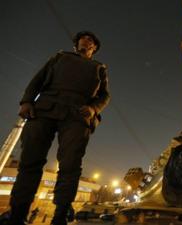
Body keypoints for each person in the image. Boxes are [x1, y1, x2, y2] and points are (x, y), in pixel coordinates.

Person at [7, 31, 110, 225]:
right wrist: (27, 101)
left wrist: (93, 108)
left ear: (94, 48)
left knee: (70, 165)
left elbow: (105, 95)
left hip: (77, 114)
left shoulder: (99, 67)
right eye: (83, 38)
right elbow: (38, 80)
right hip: (45, 108)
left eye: (91, 40)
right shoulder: (60, 57)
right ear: (76, 43)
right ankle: (17, 215)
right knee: (30, 161)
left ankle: (60, 215)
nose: (86, 41)